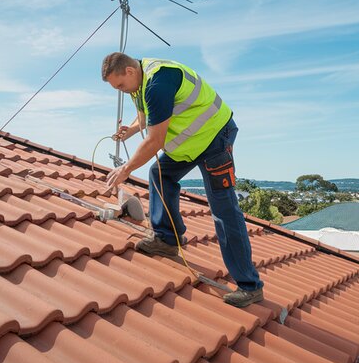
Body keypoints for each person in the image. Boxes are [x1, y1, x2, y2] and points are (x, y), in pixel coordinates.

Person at [101, 52, 264, 307]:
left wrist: (126, 170)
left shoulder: (158, 81)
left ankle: (249, 285)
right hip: (191, 144)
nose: (121, 91)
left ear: (130, 72)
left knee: (223, 208)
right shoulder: (141, 80)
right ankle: (167, 240)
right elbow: (146, 114)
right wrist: (132, 129)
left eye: (120, 85)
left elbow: (155, 140)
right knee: (160, 174)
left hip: (214, 138)